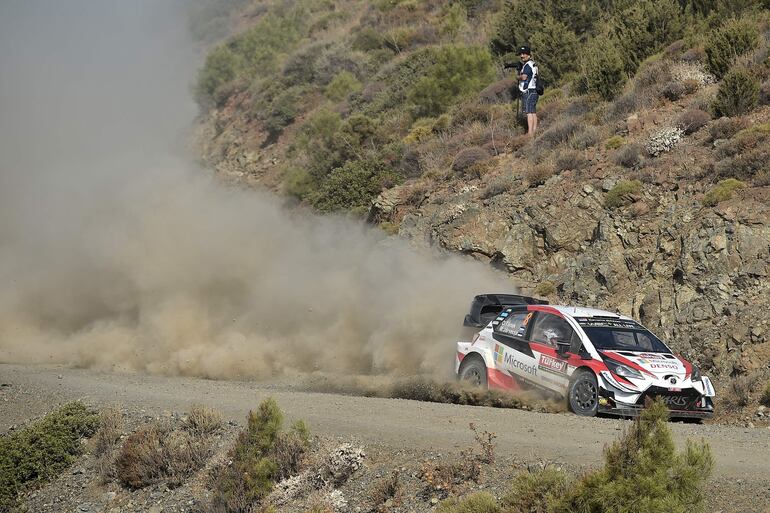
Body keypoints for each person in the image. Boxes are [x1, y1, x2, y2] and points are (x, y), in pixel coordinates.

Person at [517, 46, 538, 136]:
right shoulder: (533, 64)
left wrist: (518, 77)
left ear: (528, 55)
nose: (522, 56)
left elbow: (524, 77)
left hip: (528, 91)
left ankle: (530, 133)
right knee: (533, 112)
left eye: (524, 54)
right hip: (534, 90)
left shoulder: (528, 65)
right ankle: (534, 131)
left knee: (529, 112)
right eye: (521, 54)